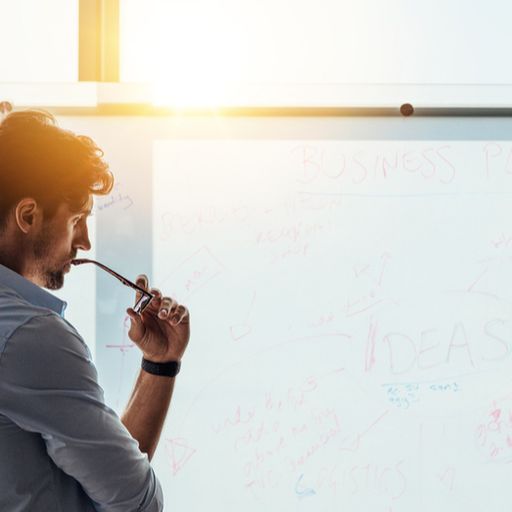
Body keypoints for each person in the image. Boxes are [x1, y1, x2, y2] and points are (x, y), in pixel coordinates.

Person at [0, 110, 190, 511]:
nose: (84, 242)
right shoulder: (31, 336)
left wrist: (159, 364)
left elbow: (105, 473)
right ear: (28, 215)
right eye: (76, 219)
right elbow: (136, 501)